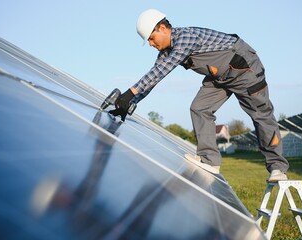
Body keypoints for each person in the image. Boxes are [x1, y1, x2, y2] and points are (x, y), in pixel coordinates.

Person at [109, 9, 289, 182]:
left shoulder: (186, 37)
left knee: (261, 114)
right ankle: (209, 160)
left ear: (162, 28)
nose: (150, 44)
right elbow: (154, 76)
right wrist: (130, 101)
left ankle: (277, 167)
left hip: (244, 68)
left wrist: (128, 93)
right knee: (199, 108)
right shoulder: (166, 51)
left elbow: (163, 70)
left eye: (151, 38)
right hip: (220, 76)